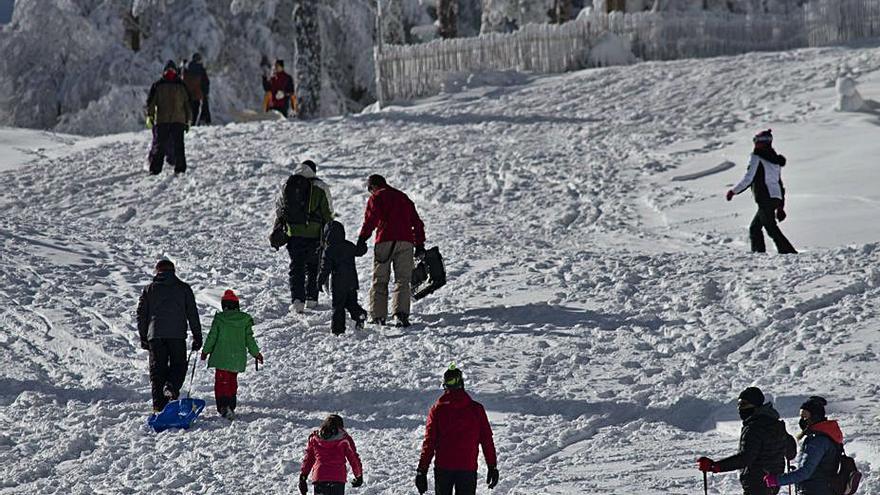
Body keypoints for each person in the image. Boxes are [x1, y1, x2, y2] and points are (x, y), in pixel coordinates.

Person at [697, 387, 796, 495]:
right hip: (773, 483)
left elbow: (745, 458)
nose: (740, 408)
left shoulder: (754, 428)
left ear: (755, 405)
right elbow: (791, 451)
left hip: (756, 484)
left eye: (743, 404)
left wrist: (715, 466)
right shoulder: (775, 424)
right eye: (738, 404)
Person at [416, 365, 499, 495]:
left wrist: (422, 470)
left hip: (443, 468)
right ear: (462, 384)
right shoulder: (476, 410)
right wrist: (492, 466)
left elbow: (429, 442)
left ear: (445, 386)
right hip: (468, 468)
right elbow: (486, 440)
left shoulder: (437, 410)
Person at [357, 174, 425, 328]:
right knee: (403, 279)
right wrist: (419, 244)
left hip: (385, 241)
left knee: (380, 279)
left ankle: (378, 316)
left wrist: (362, 239)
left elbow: (371, 220)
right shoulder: (403, 197)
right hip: (406, 242)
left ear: (373, 186)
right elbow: (417, 222)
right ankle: (400, 315)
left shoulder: (377, 197)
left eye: (370, 189)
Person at [136, 259, 202, 412]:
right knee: (178, 365)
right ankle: (171, 386)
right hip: (177, 335)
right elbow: (192, 313)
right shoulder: (184, 288)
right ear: (173, 271)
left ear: (157, 271)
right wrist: (197, 336)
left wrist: (144, 337)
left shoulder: (149, 289)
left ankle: (159, 407)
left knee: (157, 371)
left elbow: (141, 315)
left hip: (155, 336)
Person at [274, 160, 333, 313]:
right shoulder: (320, 186)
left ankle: (297, 300)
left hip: (293, 233)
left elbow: (280, 208)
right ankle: (311, 298)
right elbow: (328, 211)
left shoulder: (288, 184)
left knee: (296, 266)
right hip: (314, 234)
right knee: (313, 266)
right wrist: (328, 229)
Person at [726, 129, 797, 254]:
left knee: (770, 227)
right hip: (775, 197)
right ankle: (758, 253)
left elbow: (749, 177)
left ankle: (788, 252)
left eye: (756, 140)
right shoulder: (775, 160)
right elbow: (779, 183)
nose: (755, 144)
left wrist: (733, 191)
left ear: (762, 142)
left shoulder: (757, 157)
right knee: (755, 227)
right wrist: (780, 206)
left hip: (765, 197)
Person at [199, 290, 263, 419]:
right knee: (232, 381)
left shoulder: (220, 319)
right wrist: (256, 354)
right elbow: (249, 339)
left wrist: (205, 351)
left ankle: (224, 406)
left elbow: (212, 337)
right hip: (236, 359)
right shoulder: (244, 320)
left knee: (221, 382)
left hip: (221, 357)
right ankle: (231, 404)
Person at [763, 397, 844, 494]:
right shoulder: (824, 437)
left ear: (815, 417)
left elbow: (804, 472)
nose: (802, 420)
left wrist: (776, 480)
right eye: (801, 417)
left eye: (805, 417)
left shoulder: (818, 441)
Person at [317, 221, 368, 335]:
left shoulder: (329, 250)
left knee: (338, 306)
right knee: (351, 303)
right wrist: (363, 244)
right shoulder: (348, 245)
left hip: (339, 283)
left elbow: (325, 268)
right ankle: (360, 314)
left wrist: (319, 280)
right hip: (352, 282)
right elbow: (359, 251)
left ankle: (338, 330)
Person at [145, 60, 192, 174]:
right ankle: (180, 168)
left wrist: (150, 116)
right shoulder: (181, 85)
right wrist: (188, 120)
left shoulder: (158, 85)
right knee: (178, 146)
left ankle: (155, 169)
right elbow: (188, 104)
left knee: (160, 146)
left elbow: (151, 103)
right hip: (178, 120)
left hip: (162, 120)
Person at [299, 414, 364, 495]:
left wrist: (303, 477)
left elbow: (309, 459)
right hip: (337, 478)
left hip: (320, 478)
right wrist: (358, 475)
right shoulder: (344, 439)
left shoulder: (314, 438)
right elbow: (353, 457)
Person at [183, 52, 211, 126]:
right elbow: (206, 83)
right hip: (197, 94)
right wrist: (205, 93)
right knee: (196, 110)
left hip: (188, 94)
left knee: (189, 110)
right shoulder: (201, 69)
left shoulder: (187, 68)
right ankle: (194, 124)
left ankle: (188, 123)